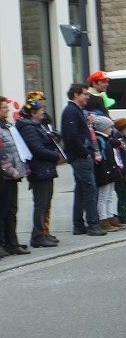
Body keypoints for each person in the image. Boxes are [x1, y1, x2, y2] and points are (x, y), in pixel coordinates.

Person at [15, 98, 62, 248]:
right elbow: (37, 149)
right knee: (41, 204)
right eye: (41, 110)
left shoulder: (36, 125)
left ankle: (43, 233)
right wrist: (56, 155)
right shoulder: (28, 128)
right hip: (39, 169)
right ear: (33, 113)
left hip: (46, 168)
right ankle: (37, 236)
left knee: (45, 203)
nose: (43, 112)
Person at [61, 83, 105, 236]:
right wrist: (85, 153)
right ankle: (93, 224)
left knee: (81, 190)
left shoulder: (75, 111)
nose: (87, 96)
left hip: (81, 156)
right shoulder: (71, 111)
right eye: (85, 94)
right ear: (76, 95)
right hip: (80, 157)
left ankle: (78, 224)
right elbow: (72, 136)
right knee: (89, 189)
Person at [0, 97, 30, 256]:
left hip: (12, 175)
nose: (7, 110)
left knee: (11, 210)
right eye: (4, 107)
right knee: (3, 211)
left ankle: (12, 243)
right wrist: (10, 170)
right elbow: (2, 154)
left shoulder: (7, 125)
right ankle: (4, 243)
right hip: (5, 176)